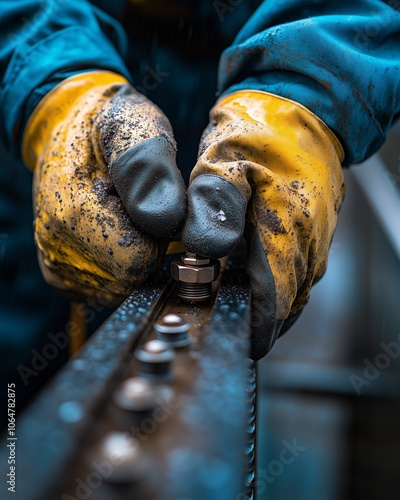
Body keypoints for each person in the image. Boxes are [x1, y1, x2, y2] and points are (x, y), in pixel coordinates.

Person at [0, 0, 399, 413]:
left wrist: (300, 99)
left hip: (234, 54)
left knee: (195, 406)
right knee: (20, 398)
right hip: (22, 182)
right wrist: (58, 90)